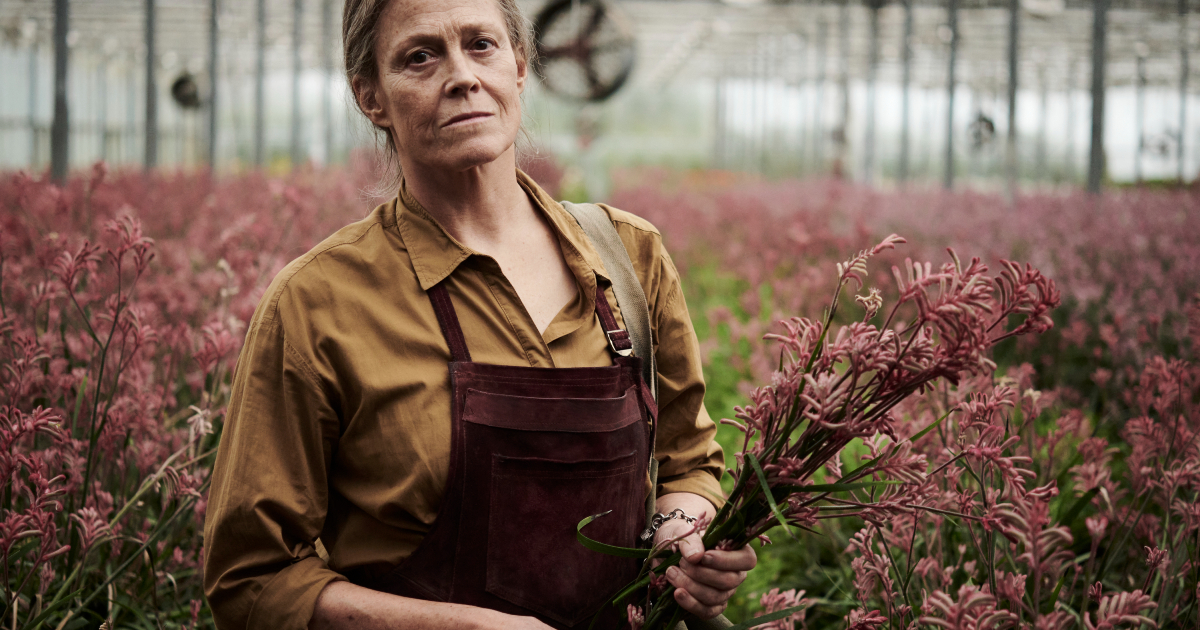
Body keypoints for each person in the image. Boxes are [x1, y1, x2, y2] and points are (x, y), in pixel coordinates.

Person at [201, 0, 756, 628]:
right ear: (371, 97)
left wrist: (681, 536)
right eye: (420, 56)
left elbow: (688, 462)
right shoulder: (318, 304)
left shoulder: (628, 259)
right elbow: (251, 581)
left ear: (520, 67)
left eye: (481, 45)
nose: (462, 75)